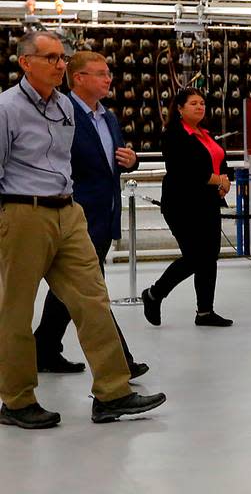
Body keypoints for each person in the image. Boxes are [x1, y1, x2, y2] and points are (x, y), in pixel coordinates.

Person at [0, 31, 166, 430]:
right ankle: (17, 400)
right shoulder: (6, 108)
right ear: (26, 63)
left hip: (68, 211)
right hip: (24, 212)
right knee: (16, 311)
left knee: (93, 299)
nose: (60, 64)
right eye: (51, 58)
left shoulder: (65, 108)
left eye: (63, 57)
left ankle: (112, 392)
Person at [34, 51, 149, 379]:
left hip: (104, 215)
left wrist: (132, 160)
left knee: (68, 289)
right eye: (99, 73)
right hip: (74, 217)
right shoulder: (60, 114)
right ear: (79, 78)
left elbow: (113, 159)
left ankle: (43, 349)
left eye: (108, 72)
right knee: (92, 291)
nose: (108, 78)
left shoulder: (108, 118)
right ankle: (121, 363)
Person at [142, 87, 234, 327]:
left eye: (202, 103)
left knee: (209, 257)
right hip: (183, 205)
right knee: (195, 257)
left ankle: (205, 312)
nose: (200, 107)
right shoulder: (173, 135)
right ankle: (154, 294)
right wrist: (219, 180)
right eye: (193, 103)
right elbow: (189, 171)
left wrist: (226, 180)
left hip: (208, 203)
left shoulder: (205, 133)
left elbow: (221, 161)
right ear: (180, 109)